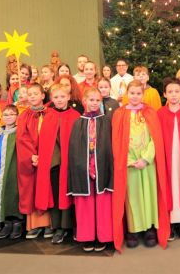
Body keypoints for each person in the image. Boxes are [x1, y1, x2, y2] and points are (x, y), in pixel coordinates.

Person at [111, 80, 169, 251]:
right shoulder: (119, 113)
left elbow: (155, 139)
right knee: (132, 197)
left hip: (147, 163)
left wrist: (146, 158)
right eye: (132, 93)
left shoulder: (150, 112)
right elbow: (117, 140)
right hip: (128, 164)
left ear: (143, 95)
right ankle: (133, 230)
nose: (135, 96)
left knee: (149, 194)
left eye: (138, 93)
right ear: (127, 94)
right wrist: (128, 160)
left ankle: (150, 228)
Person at [67, 87, 113, 252]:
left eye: (97, 100)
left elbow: (110, 147)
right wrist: (84, 165)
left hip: (103, 168)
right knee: (85, 204)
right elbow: (74, 149)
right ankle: (87, 237)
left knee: (103, 204)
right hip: (83, 170)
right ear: (84, 101)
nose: (94, 103)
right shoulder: (78, 123)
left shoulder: (107, 121)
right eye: (91, 100)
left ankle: (104, 236)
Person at [35, 84, 81, 244]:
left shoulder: (75, 116)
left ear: (68, 97)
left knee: (72, 195)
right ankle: (59, 228)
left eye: (63, 97)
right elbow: (44, 141)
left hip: (71, 165)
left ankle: (73, 226)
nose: (60, 100)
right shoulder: (48, 116)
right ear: (51, 99)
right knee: (55, 194)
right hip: (54, 164)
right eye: (56, 97)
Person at [157, 78, 180, 241]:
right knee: (169, 185)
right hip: (167, 157)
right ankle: (170, 223)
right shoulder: (159, 113)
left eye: (176, 91)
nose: (173, 95)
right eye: (170, 91)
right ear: (164, 94)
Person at [16, 83, 52, 240]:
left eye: (35, 93)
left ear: (43, 95)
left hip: (48, 157)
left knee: (48, 188)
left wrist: (46, 155)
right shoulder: (24, 116)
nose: (32, 96)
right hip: (31, 159)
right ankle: (35, 225)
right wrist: (32, 156)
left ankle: (50, 224)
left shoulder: (51, 113)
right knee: (32, 189)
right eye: (29, 94)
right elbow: (22, 138)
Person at [0, 104, 23, 239]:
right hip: (0, 171)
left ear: (17, 116)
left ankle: (17, 223)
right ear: (1, 117)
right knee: (1, 195)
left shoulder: (19, 132)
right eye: (5, 115)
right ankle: (6, 223)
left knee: (14, 195)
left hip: (15, 170)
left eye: (11, 114)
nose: (8, 117)